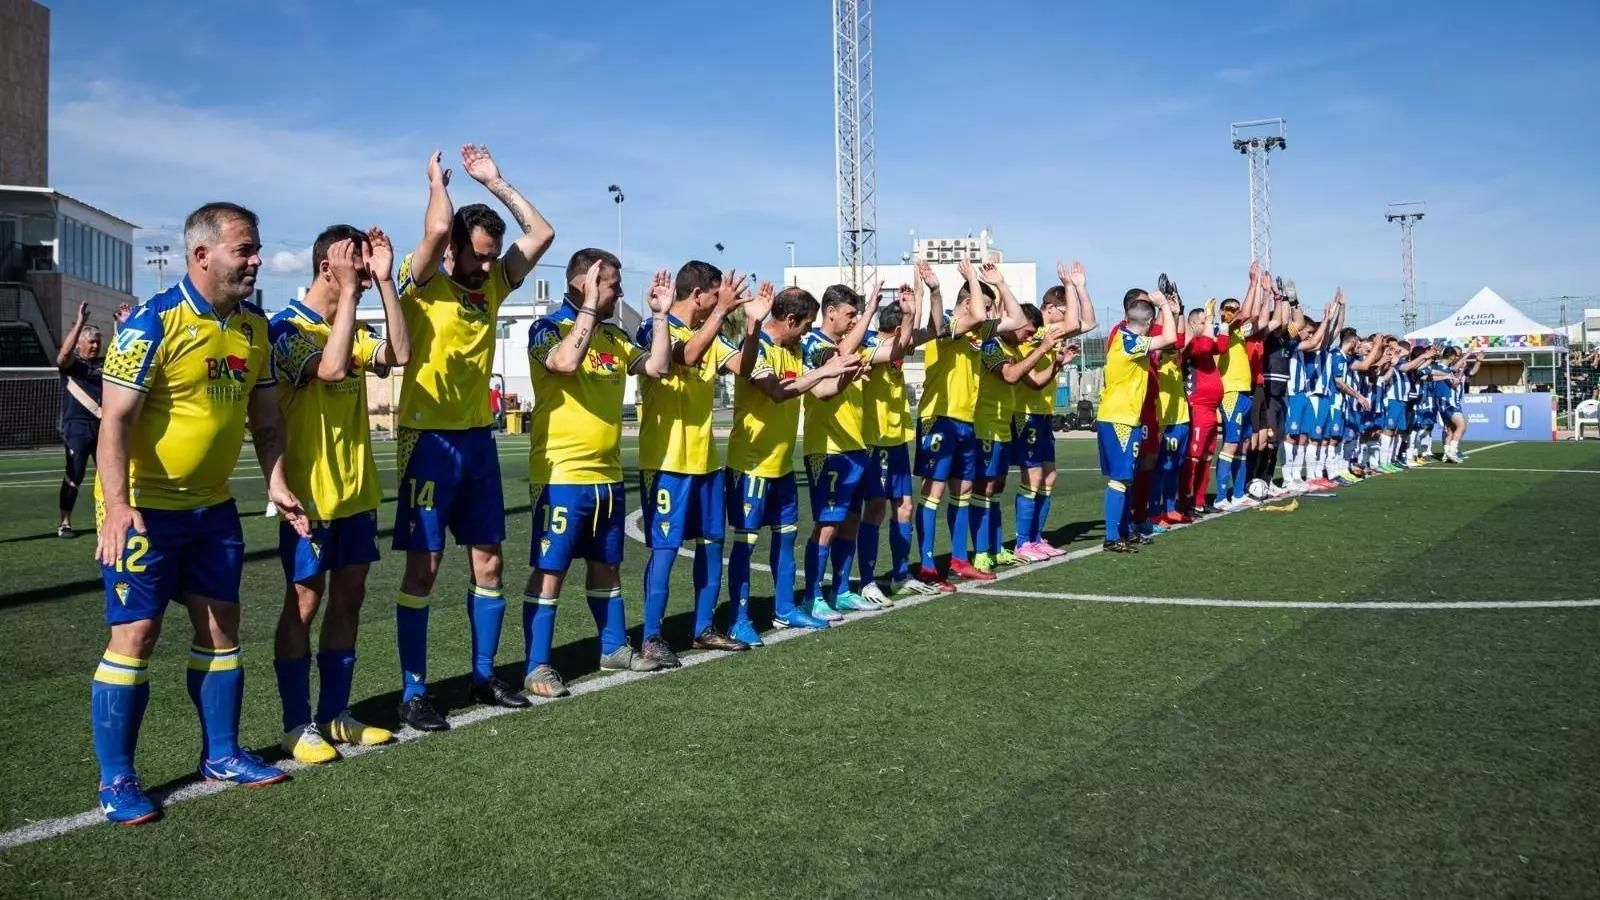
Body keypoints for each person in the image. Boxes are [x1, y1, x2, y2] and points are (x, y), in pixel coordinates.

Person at [90, 202, 311, 825]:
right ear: (201, 255)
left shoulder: (255, 329)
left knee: (221, 630)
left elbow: (265, 420)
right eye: (245, 249)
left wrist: (278, 482)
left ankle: (221, 754)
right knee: (136, 636)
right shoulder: (153, 324)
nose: (256, 259)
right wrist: (118, 506)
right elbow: (116, 422)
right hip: (145, 513)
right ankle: (117, 779)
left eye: (257, 247)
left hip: (213, 510)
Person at [390, 146, 554, 731]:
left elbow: (542, 233)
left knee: (489, 563)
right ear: (456, 248)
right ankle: (414, 691)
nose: (488, 268)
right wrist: (439, 182)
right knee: (424, 569)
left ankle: (483, 676)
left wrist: (497, 181)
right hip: (427, 440)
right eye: (480, 257)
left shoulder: (491, 289)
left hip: (477, 444)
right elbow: (437, 225)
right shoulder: (422, 280)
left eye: (492, 259)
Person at [267, 226, 410, 764]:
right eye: (356, 261)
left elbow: (399, 353)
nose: (363, 273)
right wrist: (353, 292)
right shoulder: (286, 329)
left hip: (356, 494)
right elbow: (329, 369)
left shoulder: (355, 321)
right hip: (307, 497)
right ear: (329, 265)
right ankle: (294, 723)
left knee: (349, 598)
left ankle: (336, 715)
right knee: (304, 601)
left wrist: (388, 282)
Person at [520, 252, 674, 698]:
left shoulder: (613, 335)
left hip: (606, 476)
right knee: (551, 570)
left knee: (606, 565)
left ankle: (613, 648)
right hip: (561, 474)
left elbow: (659, 367)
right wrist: (588, 306)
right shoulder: (545, 330)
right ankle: (537, 667)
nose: (621, 292)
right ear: (585, 284)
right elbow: (565, 363)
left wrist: (660, 317)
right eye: (612, 285)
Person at [634, 261, 754, 665]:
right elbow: (684, 356)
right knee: (666, 550)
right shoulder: (657, 326)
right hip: (665, 461)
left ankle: (703, 628)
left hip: (705, 462)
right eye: (716, 295)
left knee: (710, 546)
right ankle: (652, 635)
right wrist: (723, 312)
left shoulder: (713, 334)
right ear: (700, 293)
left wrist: (753, 327)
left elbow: (748, 368)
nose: (720, 303)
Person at [725, 286, 858, 635]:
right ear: (789, 319)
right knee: (746, 544)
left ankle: (784, 609)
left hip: (783, 464)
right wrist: (823, 372)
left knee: (786, 540)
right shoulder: (758, 350)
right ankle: (739, 620)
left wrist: (844, 374)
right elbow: (778, 392)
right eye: (806, 323)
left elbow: (821, 392)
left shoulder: (795, 348)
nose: (809, 330)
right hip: (751, 464)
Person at [914, 260, 1027, 587]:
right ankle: (927, 565)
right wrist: (972, 281)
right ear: (968, 303)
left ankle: (959, 559)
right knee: (932, 492)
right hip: (939, 418)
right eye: (989, 307)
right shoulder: (948, 323)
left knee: (962, 491)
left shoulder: (978, 335)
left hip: (966, 422)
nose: (992, 314)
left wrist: (1001, 284)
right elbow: (978, 314)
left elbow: (1017, 320)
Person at [800, 281, 887, 620]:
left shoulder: (848, 344)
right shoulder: (814, 342)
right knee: (826, 523)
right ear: (831, 311)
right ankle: (812, 595)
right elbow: (832, 367)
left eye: (857, 314)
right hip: (828, 447)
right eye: (850, 314)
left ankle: (841, 590)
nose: (854, 321)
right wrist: (869, 314)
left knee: (850, 521)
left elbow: (894, 350)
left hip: (855, 446)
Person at [856, 278, 938, 604]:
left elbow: (931, 331)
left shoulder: (897, 346)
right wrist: (910, 313)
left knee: (904, 507)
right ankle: (866, 580)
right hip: (874, 441)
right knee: (874, 508)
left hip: (896, 440)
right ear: (890, 330)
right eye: (904, 326)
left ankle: (900, 575)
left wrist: (926, 293)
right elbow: (901, 344)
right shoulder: (871, 345)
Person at [971, 263, 1050, 568]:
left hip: (1002, 426)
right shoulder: (991, 345)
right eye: (1028, 331)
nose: (1029, 337)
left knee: (997, 487)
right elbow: (1011, 376)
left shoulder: (1013, 347)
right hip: (985, 425)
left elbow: (1030, 379)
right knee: (985, 487)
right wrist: (1042, 349)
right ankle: (980, 551)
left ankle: (994, 546)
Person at [1014, 265, 1094, 556]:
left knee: (1049, 477)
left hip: (1043, 413)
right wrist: (1070, 286)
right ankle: (1023, 541)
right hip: (1026, 413)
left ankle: (1035, 537)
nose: (1066, 314)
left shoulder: (1048, 332)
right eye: (1063, 308)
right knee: (1033, 477)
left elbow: (1089, 322)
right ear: (1050, 309)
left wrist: (1079, 288)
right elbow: (1076, 321)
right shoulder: (1036, 331)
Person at [1095, 288, 1177, 551]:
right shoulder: (1131, 342)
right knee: (1120, 478)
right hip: (1119, 417)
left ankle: (1125, 530)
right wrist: (1164, 303)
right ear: (1149, 322)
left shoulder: (1126, 337)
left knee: (1127, 476)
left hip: (1123, 416)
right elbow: (1171, 337)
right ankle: (1111, 537)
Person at [55, 300, 119, 538]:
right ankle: (64, 523)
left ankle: (112, 516)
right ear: (80, 343)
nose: (95, 346)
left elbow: (120, 354)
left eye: (97, 342)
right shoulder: (73, 365)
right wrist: (80, 321)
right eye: (90, 342)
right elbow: (62, 356)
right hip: (77, 429)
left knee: (110, 473)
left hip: (103, 427)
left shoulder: (104, 364)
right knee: (76, 473)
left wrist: (119, 324)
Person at [1212, 266, 1266, 511]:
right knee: (1231, 444)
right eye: (1229, 308)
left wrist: (1263, 291)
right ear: (1222, 312)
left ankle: (1239, 492)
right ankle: (1221, 497)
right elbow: (1246, 313)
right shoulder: (1220, 330)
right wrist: (1253, 285)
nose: (1234, 311)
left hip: (1245, 392)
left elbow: (1258, 318)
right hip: (1231, 393)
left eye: (1235, 308)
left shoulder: (1239, 334)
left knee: (1244, 443)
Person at [1179, 304, 1227, 515]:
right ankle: (1185, 500)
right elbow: (1208, 345)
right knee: (1194, 456)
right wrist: (1210, 318)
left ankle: (1199, 500)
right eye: (1202, 322)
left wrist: (1223, 322)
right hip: (1198, 406)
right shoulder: (1193, 344)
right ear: (1192, 324)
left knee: (1207, 456)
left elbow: (1222, 346)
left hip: (1210, 408)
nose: (1206, 325)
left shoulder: (1204, 341)